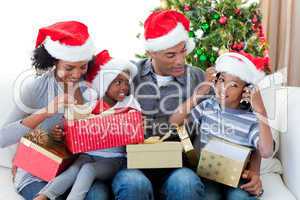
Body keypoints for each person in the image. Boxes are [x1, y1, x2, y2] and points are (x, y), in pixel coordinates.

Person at [111, 9, 264, 200]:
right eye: (170, 55)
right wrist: (126, 125)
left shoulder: (200, 78)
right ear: (151, 52)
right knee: (133, 184)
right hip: (134, 165)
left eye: (183, 51)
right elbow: (101, 113)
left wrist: (255, 170)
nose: (180, 61)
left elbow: (246, 122)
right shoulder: (128, 76)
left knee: (186, 184)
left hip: (178, 166)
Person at [0, 21, 109, 200]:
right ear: (54, 62)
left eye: (83, 66)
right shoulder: (35, 88)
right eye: (69, 67)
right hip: (38, 173)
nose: (77, 74)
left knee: (99, 196)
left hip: (78, 172)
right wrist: (47, 111)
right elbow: (2, 138)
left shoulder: (93, 87)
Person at [34, 50, 140, 200]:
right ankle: (43, 196)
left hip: (113, 159)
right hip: (87, 154)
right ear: (104, 84)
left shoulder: (128, 105)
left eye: (126, 83)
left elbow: (136, 130)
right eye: (118, 82)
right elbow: (75, 125)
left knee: (88, 170)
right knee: (74, 169)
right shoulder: (91, 104)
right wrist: (62, 133)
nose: (124, 87)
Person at [170, 51, 274, 199]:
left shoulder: (251, 119)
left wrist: (261, 110)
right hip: (208, 176)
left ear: (245, 91)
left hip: (237, 179)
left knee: (240, 197)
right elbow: (175, 121)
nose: (224, 88)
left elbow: (266, 151)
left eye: (234, 85)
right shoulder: (207, 106)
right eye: (222, 80)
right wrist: (201, 92)